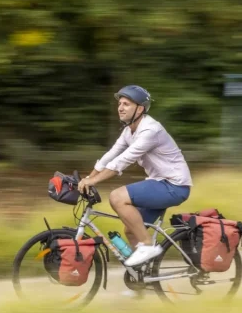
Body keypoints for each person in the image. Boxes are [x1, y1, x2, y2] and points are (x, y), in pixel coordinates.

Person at [77, 85, 193, 268]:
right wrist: (87, 178)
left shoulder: (150, 130)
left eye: (126, 104)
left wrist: (94, 181)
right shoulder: (129, 130)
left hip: (174, 186)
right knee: (131, 230)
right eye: (120, 104)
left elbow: (122, 161)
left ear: (140, 109)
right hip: (160, 183)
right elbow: (110, 155)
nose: (120, 108)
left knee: (117, 197)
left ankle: (147, 245)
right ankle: (143, 277)